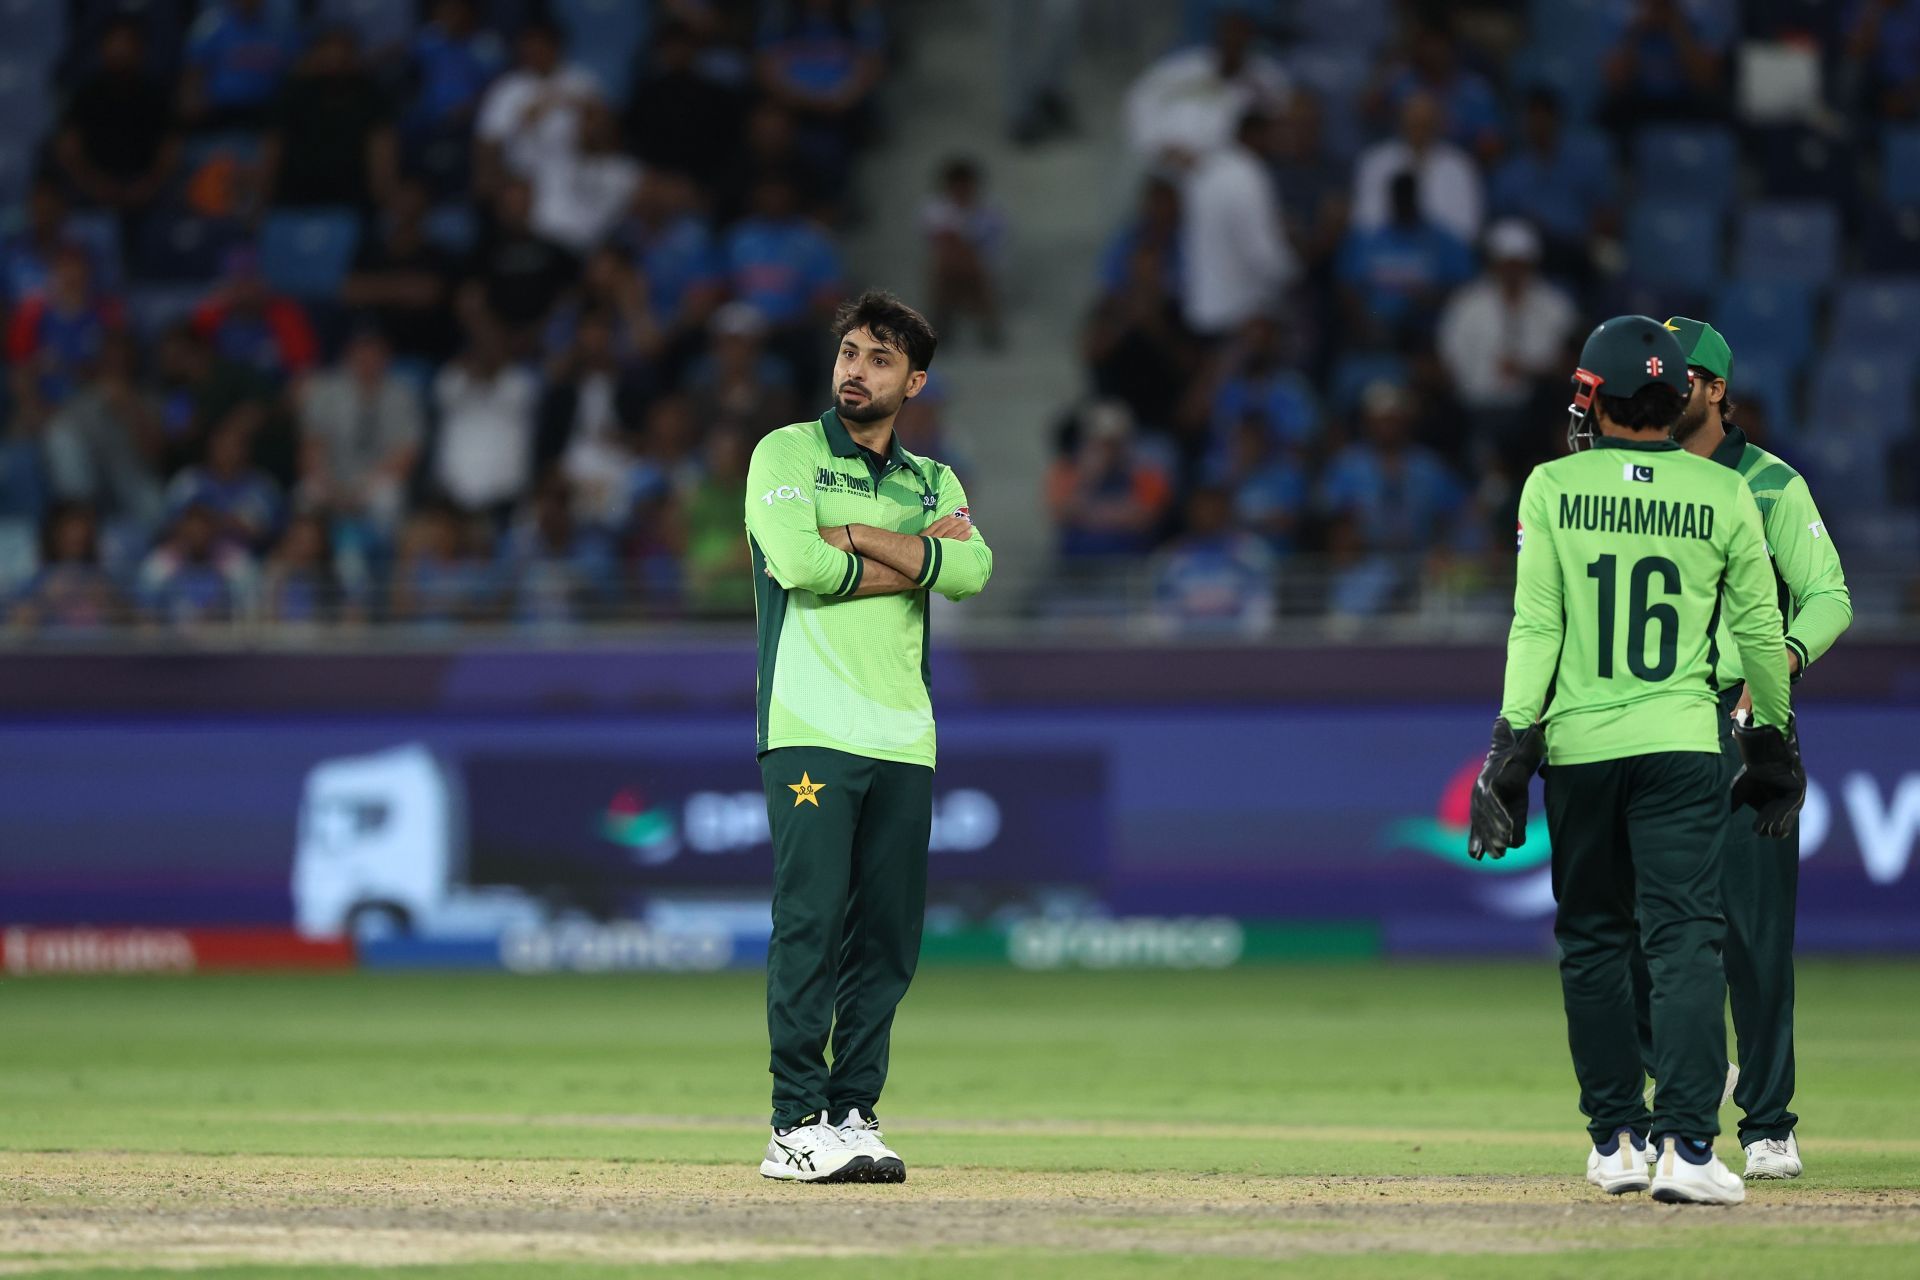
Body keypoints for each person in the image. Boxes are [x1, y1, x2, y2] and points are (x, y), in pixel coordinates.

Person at [1466, 315, 1804, 1206]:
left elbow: (1537, 626)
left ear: (1598, 399)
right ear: (1672, 398)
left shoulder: (1549, 487)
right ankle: (1690, 1150)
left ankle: (1615, 1140)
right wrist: (1769, 735)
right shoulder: (1724, 495)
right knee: (1686, 940)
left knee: (1593, 941)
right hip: (1683, 744)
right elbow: (1763, 633)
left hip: (1577, 749)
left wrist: (1508, 743)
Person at [744, 290, 991, 1183]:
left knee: (887, 937)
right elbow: (799, 565)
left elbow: (973, 569)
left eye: (880, 359)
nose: (856, 369)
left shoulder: (936, 481)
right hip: (809, 726)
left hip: (903, 736)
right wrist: (904, 553)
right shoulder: (787, 451)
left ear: (912, 381)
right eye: (850, 352)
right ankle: (792, 1123)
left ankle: (851, 1112)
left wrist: (857, 533)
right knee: (809, 924)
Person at [1625, 318, 1853, 1182]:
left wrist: (1782, 660)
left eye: (1679, 379)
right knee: (1640, 928)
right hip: (1655, 715)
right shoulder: (1635, 484)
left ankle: (1767, 1122)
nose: (1661, 393)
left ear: (1715, 391)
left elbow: (1829, 596)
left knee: (1756, 932)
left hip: (1746, 716)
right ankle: (1687, 1072)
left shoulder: (1770, 485)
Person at [1436, 219, 1577, 469]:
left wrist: (1527, 370)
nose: (1512, 272)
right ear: (1494, 264)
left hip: (1531, 411)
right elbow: (1448, 360)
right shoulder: (1466, 305)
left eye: (1519, 264)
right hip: (1476, 407)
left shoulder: (1556, 306)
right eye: (1505, 263)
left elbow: (1568, 366)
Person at [52, 18, 183, 233]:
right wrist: (97, 186)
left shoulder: (156, 95)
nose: (121, 50)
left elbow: (171, 150)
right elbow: (68, 149)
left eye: (127, 43)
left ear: (141, 50)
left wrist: (147, 186)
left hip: (148, 191)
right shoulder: (86, 94)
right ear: (103, 48)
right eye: (115, 43)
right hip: (93, 190)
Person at [1180, 110, 1297, 340]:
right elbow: (1260, 252)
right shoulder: (1247, 174)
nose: (1280, 142)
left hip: (1204, 308)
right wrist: (1293, 274)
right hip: (1240, 314)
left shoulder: (1206, 171)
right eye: (1274, 134)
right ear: (1254, 135)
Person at [297, 329, 424, 536]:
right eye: (363, 349)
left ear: (387, 356)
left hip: (374, 482)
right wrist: (328, 485)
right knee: (306, 495)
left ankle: (383, 561)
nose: (369, 357)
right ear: (350, 353)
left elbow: (406, 455)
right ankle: (308, 557)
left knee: (388, 498)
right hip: (331, 479)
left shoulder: (402, 396)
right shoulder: (325, 391)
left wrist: (363, 490)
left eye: (376, 351)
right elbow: (312, 446)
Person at [1124, 10, 1289, 165]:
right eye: (1228, 36)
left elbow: (1281, 122)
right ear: (1217, 38)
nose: (1233, 43)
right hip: (1166, 159)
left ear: (1250, 40)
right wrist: (1158, 148)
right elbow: (1140, 99)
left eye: (1240, 38)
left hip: (1224, 168)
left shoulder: (1265, 78)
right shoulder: (1184, 68)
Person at [261, 25, 397, 212]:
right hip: (293, 202)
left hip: (352, 205)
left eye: (343, 54)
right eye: (328, 52)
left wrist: (383, 198)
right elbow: (274, 146)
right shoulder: (293, 94)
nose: (335, 60)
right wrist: (264, 199)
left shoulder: (370, 96)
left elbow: (382, 150)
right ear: (315, 55)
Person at [473, 16, 602, 196]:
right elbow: (488, 141)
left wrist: (588, 114)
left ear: (556, 46)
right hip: (522, 176)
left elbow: (605, 136)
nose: (534, 52)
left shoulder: (581, 83)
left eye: (541, 46)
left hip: (576, 171)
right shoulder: (507, 89)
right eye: (529, 47)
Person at [431, 325, 538, 522]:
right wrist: (472, 374)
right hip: (454, 497)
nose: (487, 354)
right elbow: (445, 392)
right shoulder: (452, 380)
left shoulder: (519, 383)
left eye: (493, 347)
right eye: (481, 347)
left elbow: (519, 395)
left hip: (504, 496)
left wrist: (492, 374)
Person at [1351, 90, 1483, 246]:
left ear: (1438, 124)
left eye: (1426, 124)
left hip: (1442, 258)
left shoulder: (1459, 165)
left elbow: (1468, 228)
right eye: (1414, 123)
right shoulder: (1375, 162)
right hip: (1385, 254)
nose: (1419, 130)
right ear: (1401, 122)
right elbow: (1364, 221)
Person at [920, 157, 1008, 349]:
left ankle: (942, 321)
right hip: (953, 267)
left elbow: (990, 247)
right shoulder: (935, 209)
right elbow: (942, 241)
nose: (961, 191)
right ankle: (988, 325)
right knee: (951, 262)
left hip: (978, 266)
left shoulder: (991, 210)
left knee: (962, 264)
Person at [179, 0, 299, 133]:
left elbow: (293, 66)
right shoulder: (211, 24)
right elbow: (193, 70)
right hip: (219, 111)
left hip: (266, 110)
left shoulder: (280, 25)